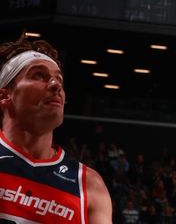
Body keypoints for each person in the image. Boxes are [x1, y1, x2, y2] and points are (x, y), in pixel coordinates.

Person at [0, 32, 113, 223]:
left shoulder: (89, 185)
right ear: (5, 96)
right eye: (39, 75)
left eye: (59, 79)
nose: (55, 85)